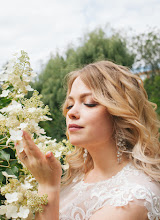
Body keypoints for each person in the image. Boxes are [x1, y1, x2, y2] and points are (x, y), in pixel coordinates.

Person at [16, 60, 160, 220]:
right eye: (70, 105)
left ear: (119, 114)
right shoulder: (73, 176)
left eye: (89, 103)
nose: (71, 113)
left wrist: (47, 186)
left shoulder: (133, 198)